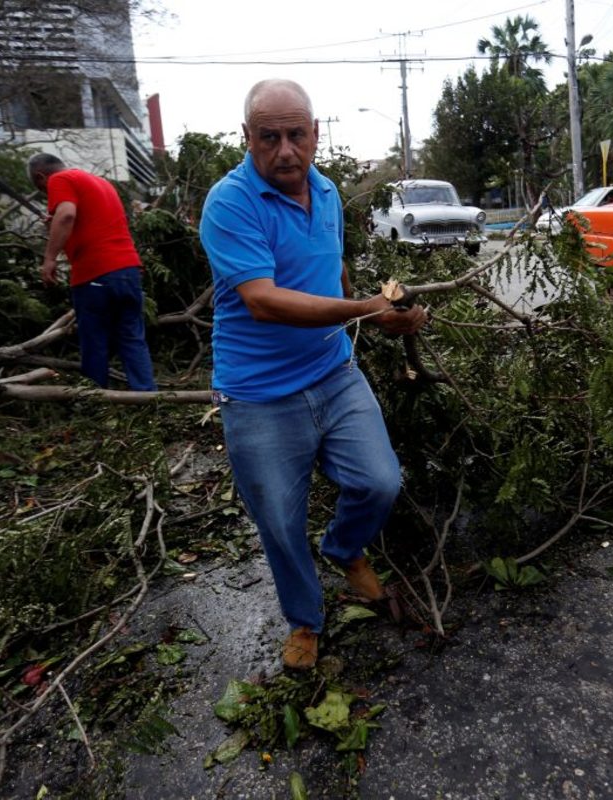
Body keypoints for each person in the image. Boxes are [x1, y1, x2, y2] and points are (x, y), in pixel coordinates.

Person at [199, 79, 427, 671]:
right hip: (258, 395)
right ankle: (306, 620)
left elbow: (332, 263)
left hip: (333, 371)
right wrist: (364, 313)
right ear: (246, 137)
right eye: (268, 137)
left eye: (295, 135)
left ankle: (344, 548)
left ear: (315, 135)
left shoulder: (325, 192)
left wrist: (382, 310)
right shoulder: (230, 203)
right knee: (279, 521)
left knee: (380, 482)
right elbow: (264, 301)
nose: (284, 151)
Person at [27, 153, 157, 392]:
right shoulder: (98, 182)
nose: (48, 197)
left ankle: (96, 401)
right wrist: (54, 225)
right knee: (131, 338)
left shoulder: (59, 180)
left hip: (96, 274)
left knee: (94, 341)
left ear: (41, 176)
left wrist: (49, 259)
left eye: (41, 189)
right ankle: (148, 398)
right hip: (128, 270)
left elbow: (66, 215)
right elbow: (89, 223)